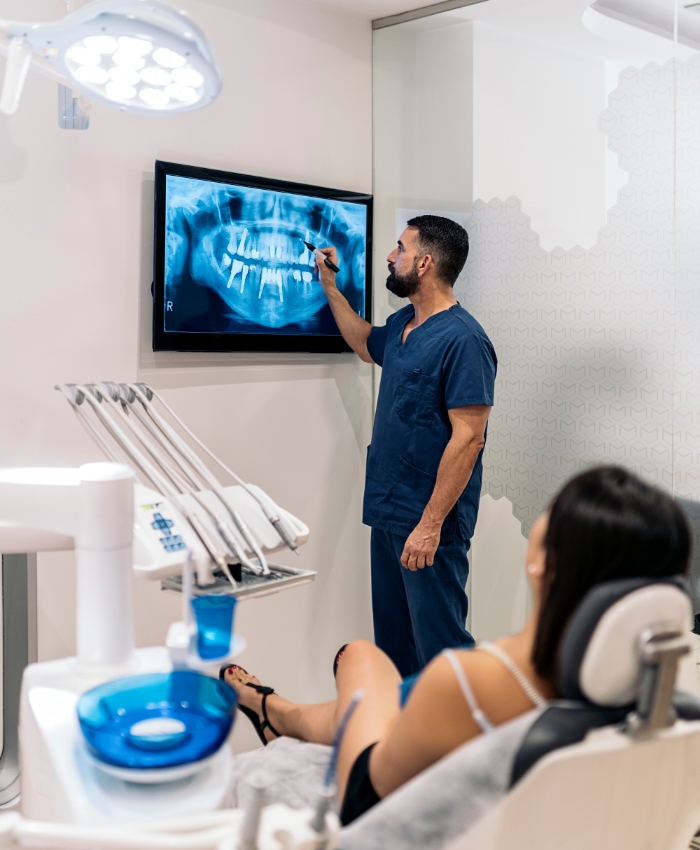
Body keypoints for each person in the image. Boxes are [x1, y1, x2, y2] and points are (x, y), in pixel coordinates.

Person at [222, 466, 690, 826]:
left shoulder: (469, 679)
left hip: (366, 791)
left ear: (542, 564)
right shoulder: (659, 698)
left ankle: (273, 711)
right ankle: (276, 711)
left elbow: (367, 798)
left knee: (359, 657)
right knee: (372, 676)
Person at [315, 215, 497, 677]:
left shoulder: (465, 341)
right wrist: (331, 287)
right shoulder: (402, 325)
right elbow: (363, 342)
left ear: (425, 262)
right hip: (390, 512)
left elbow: (470, 438)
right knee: (396, 645)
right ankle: (406, 739)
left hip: (428, 524)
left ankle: (462, 744)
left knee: (442, 650)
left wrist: (431, 525)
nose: (392, 257)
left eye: (400, 248)